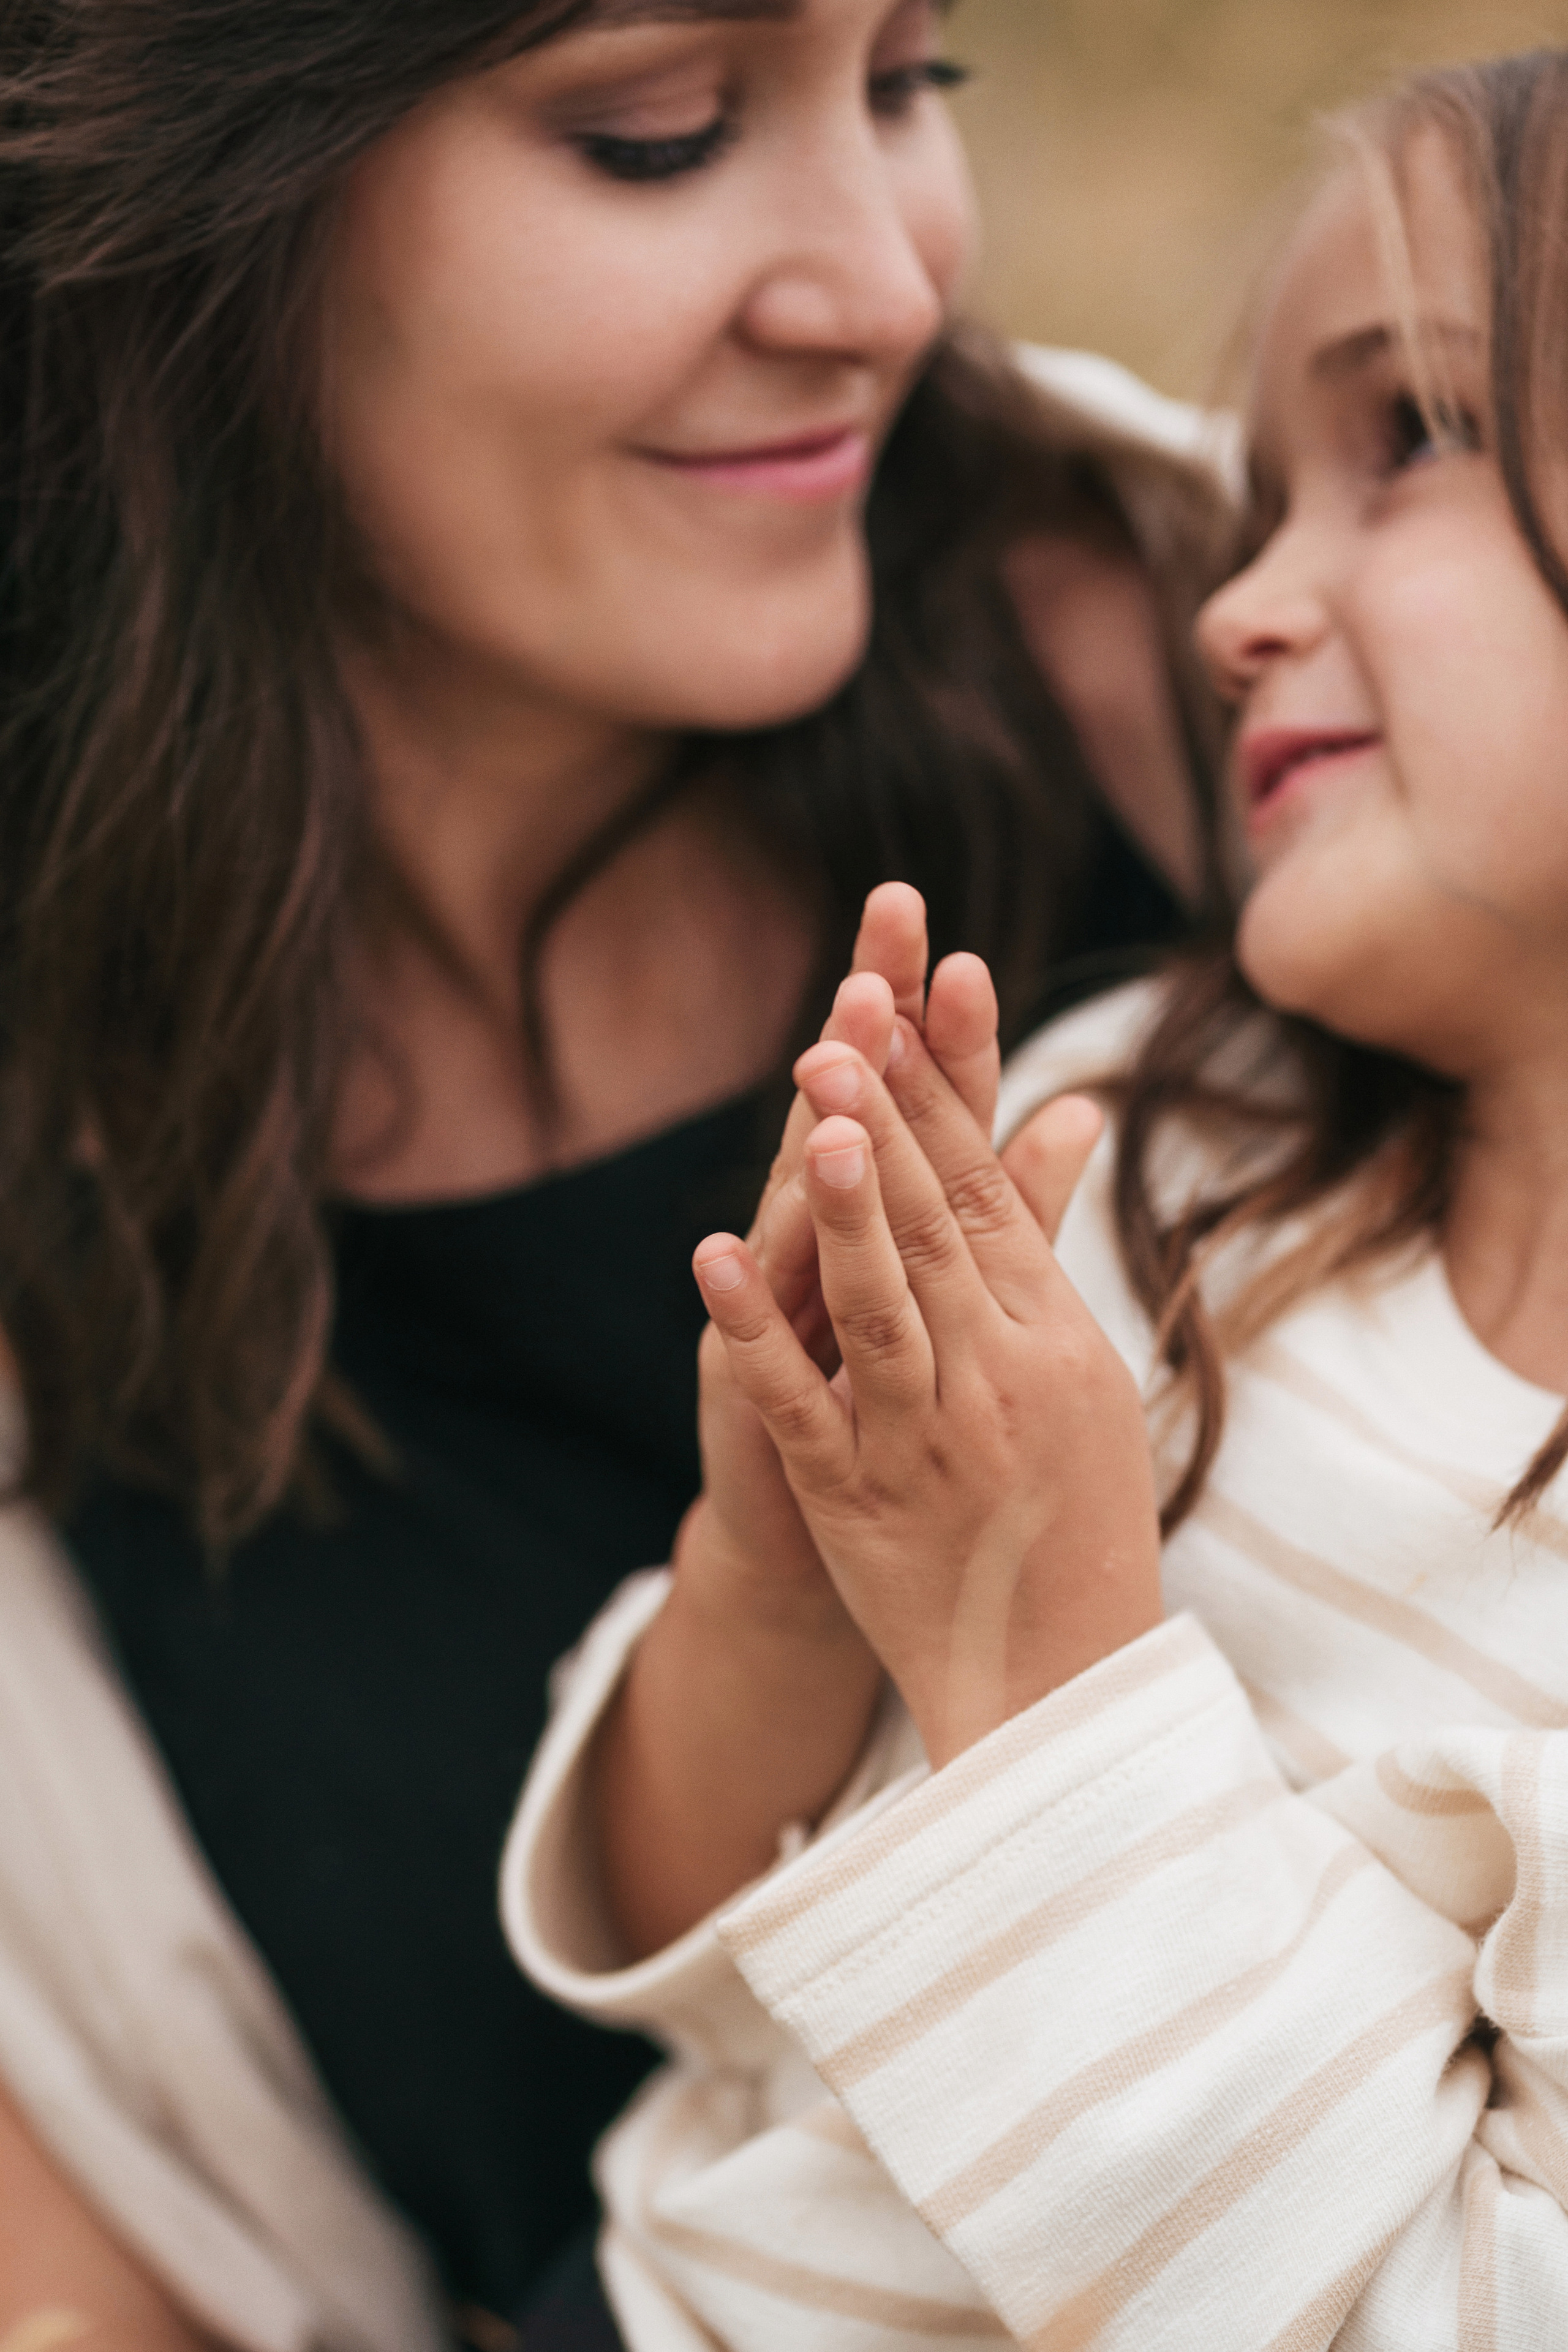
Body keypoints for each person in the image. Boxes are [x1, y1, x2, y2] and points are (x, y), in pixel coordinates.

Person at [0, 0, 1226, 2345]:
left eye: (908, 83)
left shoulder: (1220, 683)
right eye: (658, 135)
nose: (881, 284)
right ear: (188, 216)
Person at [506, 47, 1568, 2350]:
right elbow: (716, 2012)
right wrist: (776, 1598)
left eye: (1410, 436)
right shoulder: (1142, 1144)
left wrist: (1039, 1667)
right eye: (1266, 490)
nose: (1237, 600)